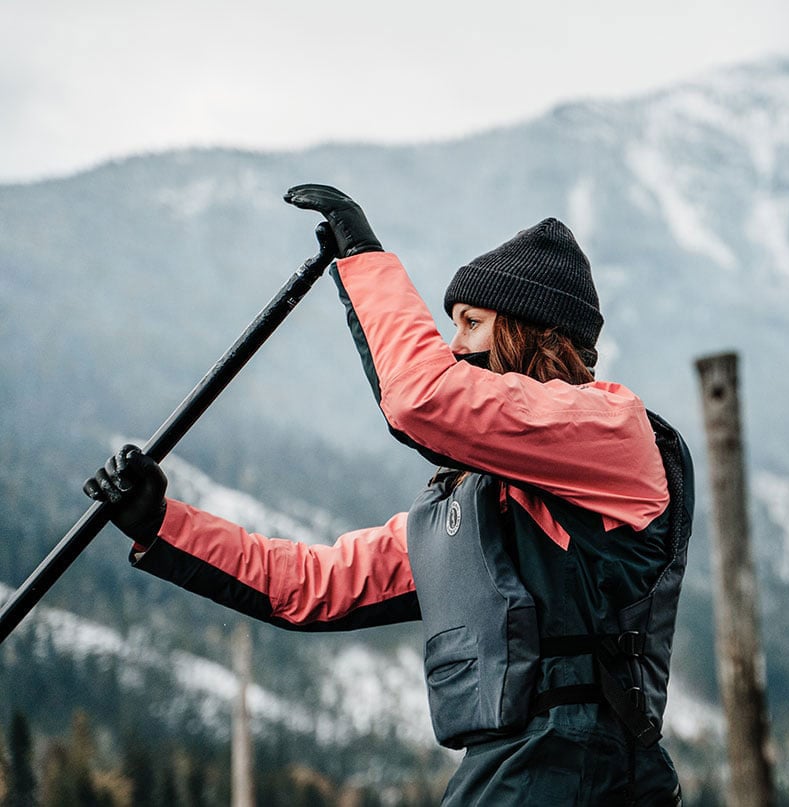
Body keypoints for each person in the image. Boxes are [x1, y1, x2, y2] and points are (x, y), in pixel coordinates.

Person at [85, 185, 694, 806]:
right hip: (509, 772)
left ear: (527, 334)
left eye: (472, 324)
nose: (454, 344)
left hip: (582, 768)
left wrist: (365, 259)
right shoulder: (473, 509)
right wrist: (159, 523)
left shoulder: (614, 430)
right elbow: (309, 585)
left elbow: (421, 396)